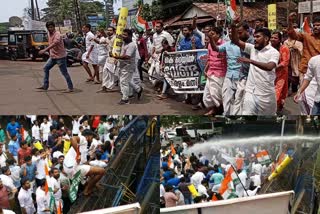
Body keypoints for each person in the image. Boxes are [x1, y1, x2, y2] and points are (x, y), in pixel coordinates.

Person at [232, 18, 280, 115]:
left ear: (266, 39)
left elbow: (269, 66)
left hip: (266, 95)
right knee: (246, 114)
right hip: (250, 92)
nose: (255, 39)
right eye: (254, 36)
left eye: (258, 37)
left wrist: (250, 61)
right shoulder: (252, 48)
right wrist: (233, 26)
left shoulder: (274, 52)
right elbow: (236, 40)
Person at [64, 130, 105, 196]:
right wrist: (78, 154)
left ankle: (90, 187)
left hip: (70, 168)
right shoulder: (83, 139)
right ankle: (87, 190)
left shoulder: (84, 146)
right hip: (72, 167)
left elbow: (85, 163)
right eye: (92, 137)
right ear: (88, 136)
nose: (92, 139)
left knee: (93, 172)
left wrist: (92, 175)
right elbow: (73, 138)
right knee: (102, 171)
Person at [36, 21, 74, 92]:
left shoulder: (57, 34)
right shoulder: (49, 34)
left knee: (64, 72)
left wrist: (45, 50)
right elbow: (50, 43)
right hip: (53, 56)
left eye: (51, 27)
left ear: (54, 27)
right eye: (49, 27)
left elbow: (55, 43)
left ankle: (70, 87)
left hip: (60, 57)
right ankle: (45, 85)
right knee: (46, 68)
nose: (50, 29)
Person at [112, 29, 143, 105]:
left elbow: (127, 56)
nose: (123, 36)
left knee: (123, 82)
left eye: (125, 35)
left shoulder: (132, 45)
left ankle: (125, 99)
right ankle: (138, 89)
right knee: (127, 81)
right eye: (123, 35)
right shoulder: (124, 43)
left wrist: (116, 57)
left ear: (130, 36)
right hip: (122, 65)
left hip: (128, 66)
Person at [202, 27, 227, 115]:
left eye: (212, 34)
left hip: (220, 73)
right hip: (210, 72)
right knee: (208, 95)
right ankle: (214, 109)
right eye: (210, 34)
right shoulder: (209, 45)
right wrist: (205, 69)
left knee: (216, 94)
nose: (210, 36)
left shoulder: (224, 44)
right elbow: (209, 59)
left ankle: (220, 110)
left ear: (218, 35)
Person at [270, 31, 290, 113]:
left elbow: (285, 62)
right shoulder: (268, 47)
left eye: (275, 38)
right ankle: (277, 105)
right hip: (270, 74)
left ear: (280, 39)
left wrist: (274, 67)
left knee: (277, 92)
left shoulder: (284, 48)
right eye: (272, 37)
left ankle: (273, 110)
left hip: (281, 74)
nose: (273, 39)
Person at [99, 26, 117, 93]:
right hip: (108, 57)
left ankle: (109, 86)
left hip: (114, 57)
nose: (109, 31)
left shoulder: (116, 38)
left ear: (114, 31)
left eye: (110, 30)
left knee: (110, 72)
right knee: (105, 71)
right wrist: (94, 38)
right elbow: (100, 42)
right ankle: (104, 87)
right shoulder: (107, 38)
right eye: (108, 30)